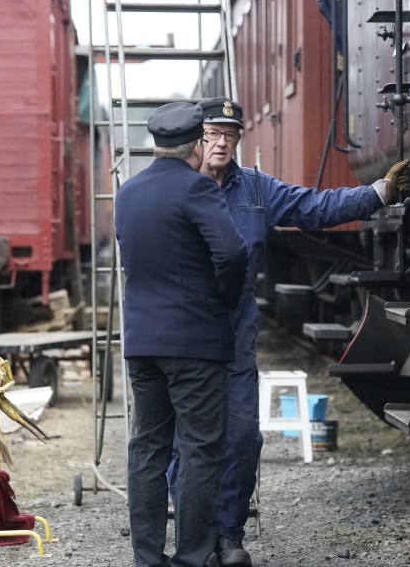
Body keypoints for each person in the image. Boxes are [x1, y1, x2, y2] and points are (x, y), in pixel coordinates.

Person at [166, 97, 410, 567]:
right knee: (186, 440)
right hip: (184, 332)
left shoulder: (255, 189)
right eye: (213, 134)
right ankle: (195, 541)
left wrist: (379, 192)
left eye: (230, 135)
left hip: (234, 334)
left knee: (243, 436)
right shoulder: (174, 188)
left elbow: (314, 206)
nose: (221, 143)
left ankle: (229, 537)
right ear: (197, 138)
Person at [115, 102, 248, 567]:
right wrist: (223, 299)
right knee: (200, 449)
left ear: (156, 145)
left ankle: (147, 559)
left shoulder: (127, 192)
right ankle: (191, 558)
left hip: (142, 343)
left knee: (147, 448)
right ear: (196, 145)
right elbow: (232, 253)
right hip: (195, 342)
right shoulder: (197, 188)